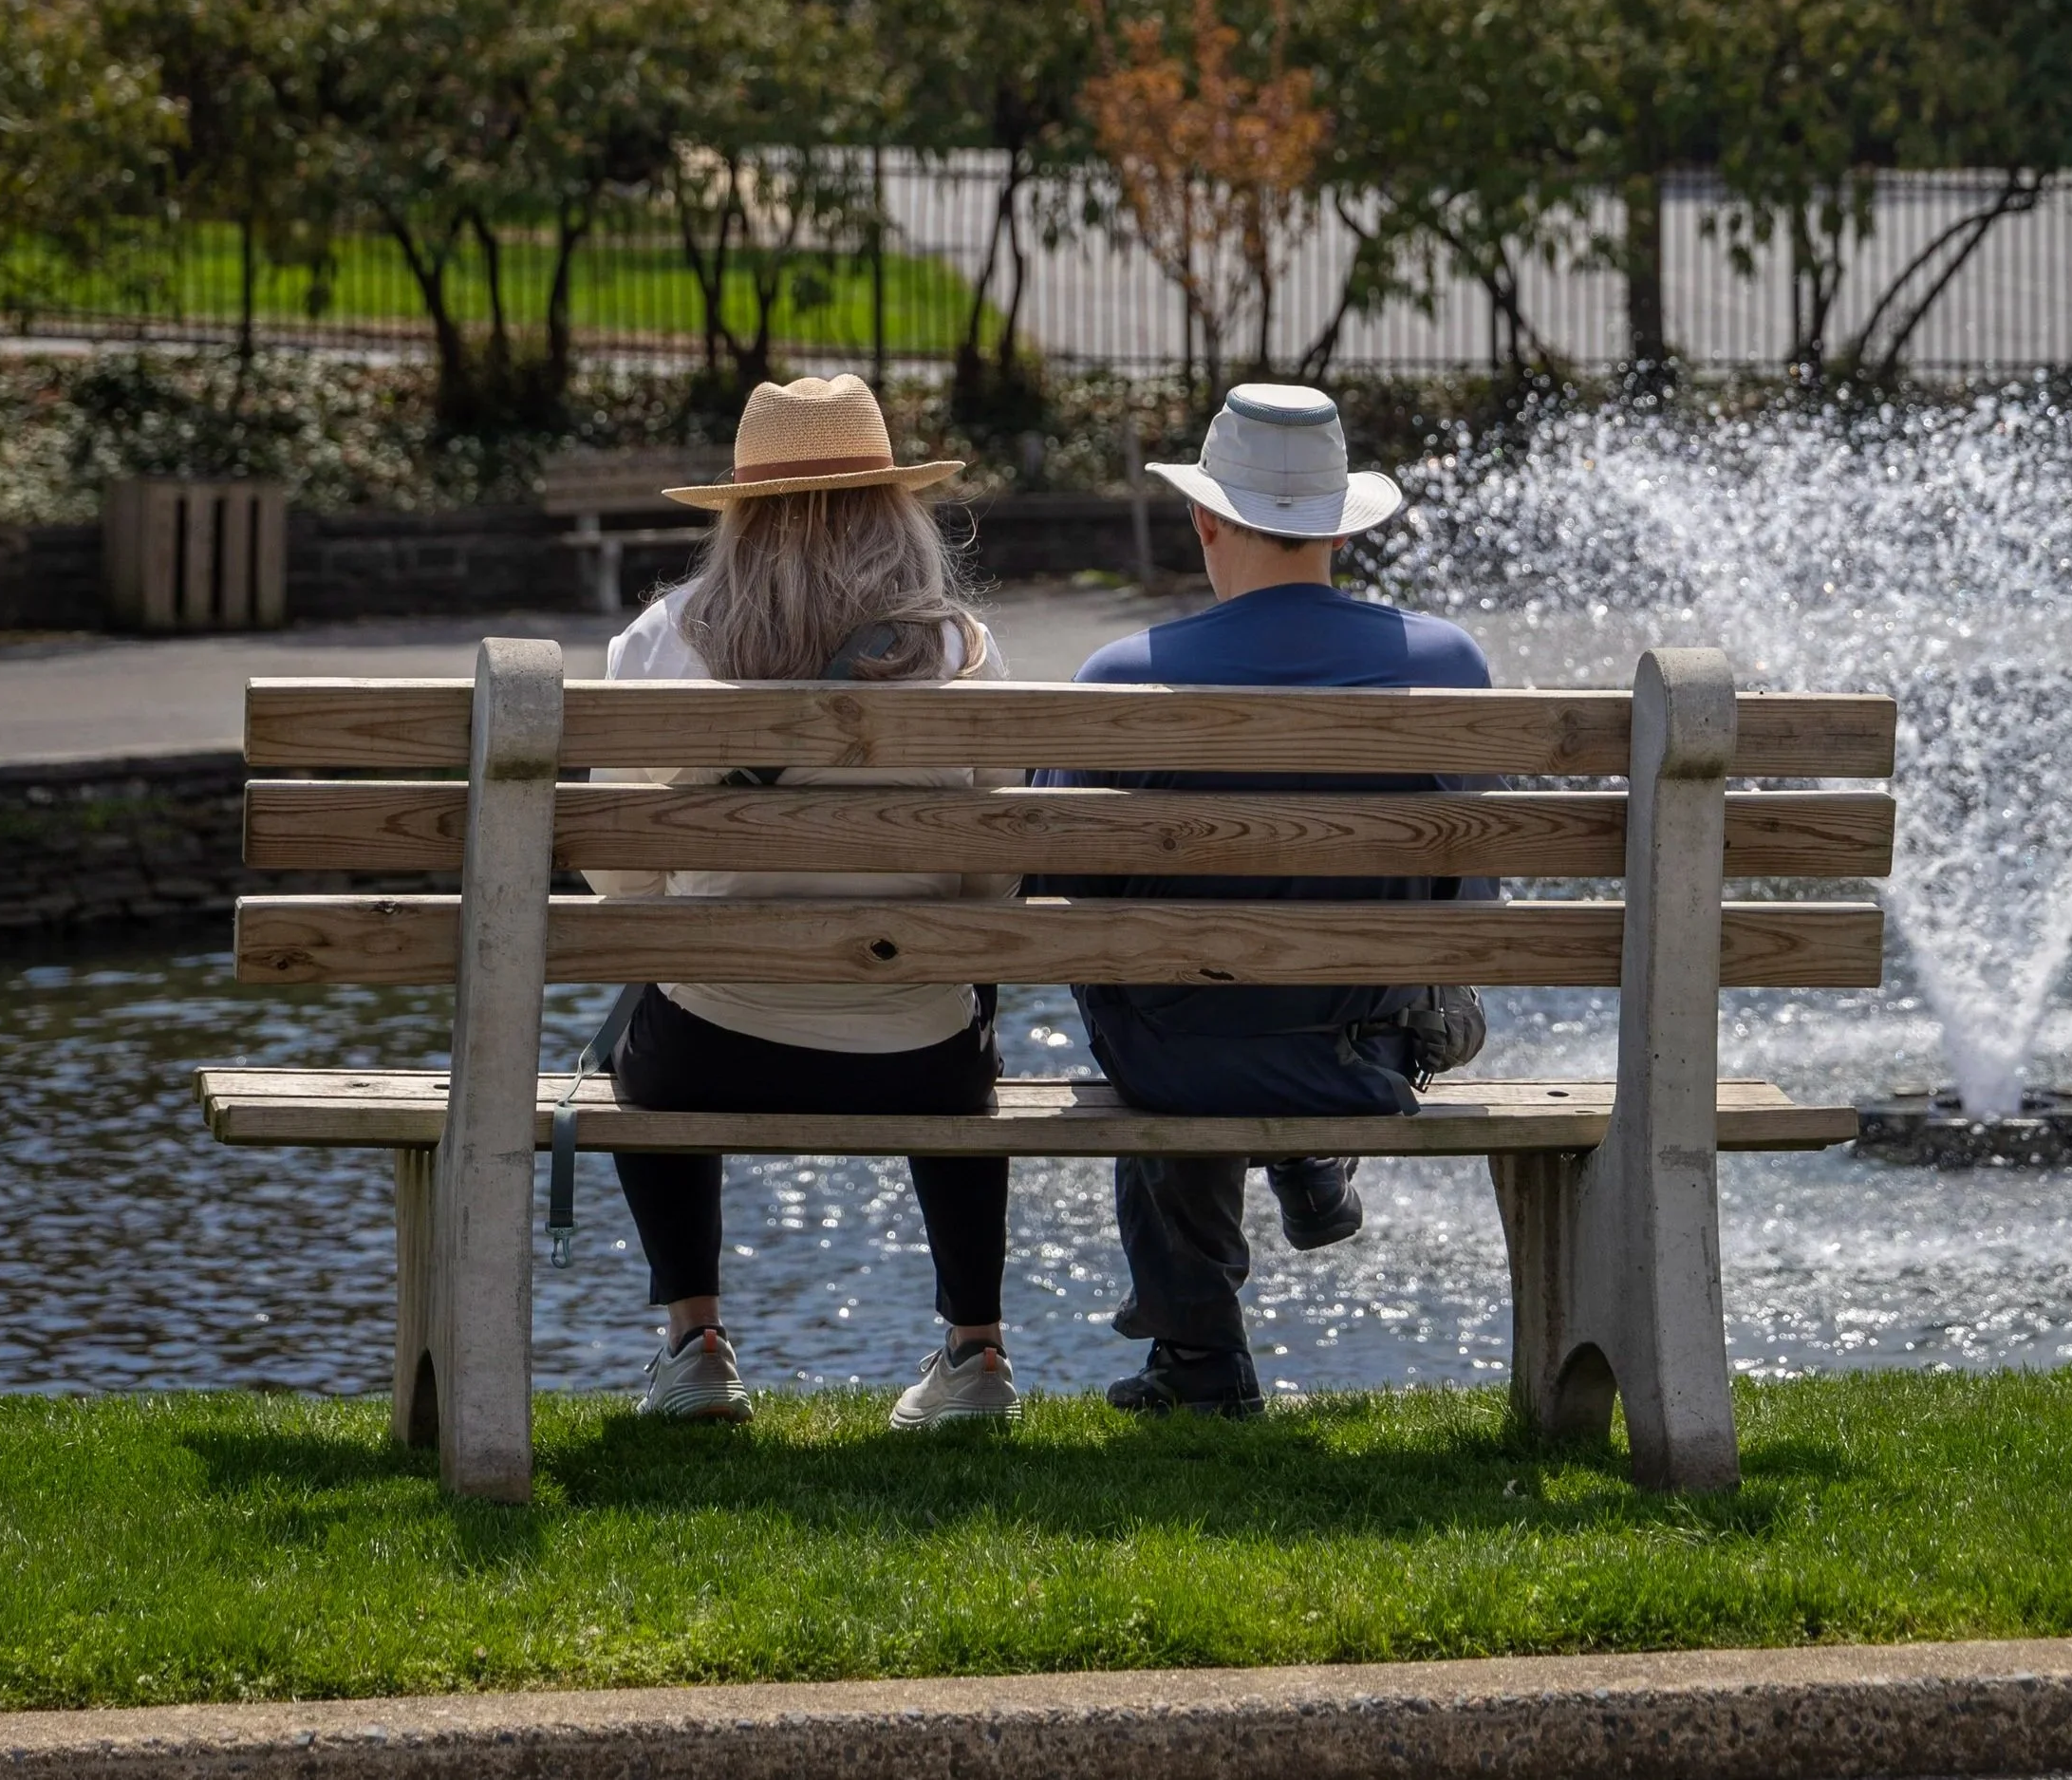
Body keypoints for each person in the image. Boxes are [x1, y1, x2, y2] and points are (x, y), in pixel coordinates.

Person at [1047, 384, 1496, 1418]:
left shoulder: (1119, 678)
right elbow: (1471, 889)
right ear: (1339, 529)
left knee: (1145, 972)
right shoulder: (1448, 664)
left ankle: (1199, 1359)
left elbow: (1057, 884)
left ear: (1205, 519)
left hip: (1172, 1056)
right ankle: (1309, 1149)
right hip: (1367, 1051)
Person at [586, 373, 1021, 1431]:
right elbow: (993, 879)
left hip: (705, 1049)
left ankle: (696, 1345)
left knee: (640, 1016)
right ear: (895, 508)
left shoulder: (664, 641)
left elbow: (618, 873)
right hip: (923, 1058)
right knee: (961, 1001)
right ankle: (977, 1351)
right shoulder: (961, 653)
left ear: (740, 513)